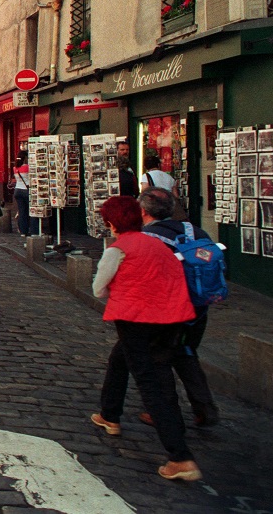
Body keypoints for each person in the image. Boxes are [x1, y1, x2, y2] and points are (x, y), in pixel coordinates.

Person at [90, 195, 201, 481]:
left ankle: (180, 456)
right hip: (173, 319)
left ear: (112, 223)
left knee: (151, 384)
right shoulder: (158, 244)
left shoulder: (118, 249)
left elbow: (99, 290)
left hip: (138, 320)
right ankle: (109, 414)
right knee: (119, 359)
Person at [138, 188, 219, 427]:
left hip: (168, 308)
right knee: (185, 353)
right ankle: (205, 408)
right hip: (198, 307)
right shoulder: (195, 231)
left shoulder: (148, 237)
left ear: (143, 211)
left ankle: (164, 410)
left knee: (159, 357)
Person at [12, 148, 32, 236]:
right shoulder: (27, 167)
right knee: (29, 211)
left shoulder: (15, 168)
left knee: (21, 211)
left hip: (17, 190)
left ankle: (23, 231)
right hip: (26, 190)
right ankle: (31, 229)